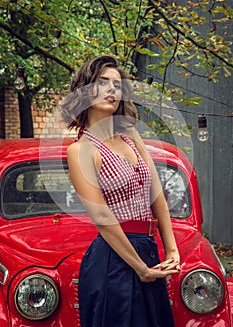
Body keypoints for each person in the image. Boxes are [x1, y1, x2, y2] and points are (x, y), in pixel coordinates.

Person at [61, 55, 180, 327]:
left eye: (117, 84)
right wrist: (140, 269)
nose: (112, 90)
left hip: (148, 251)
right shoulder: (80, 150)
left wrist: (171, 250)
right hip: (113, 261)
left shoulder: (130, 135)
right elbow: (103, 219)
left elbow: (156, 193)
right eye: (103, 83)